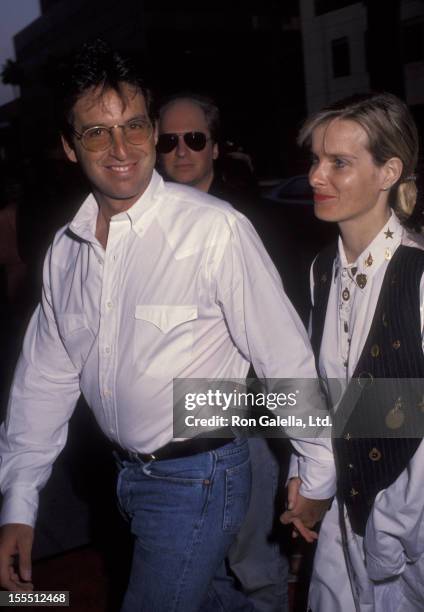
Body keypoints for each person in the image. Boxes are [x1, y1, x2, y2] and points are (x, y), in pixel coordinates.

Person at [0, 40, 334, 611]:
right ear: (68, 145)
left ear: (152, 130)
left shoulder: (212, 230)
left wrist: (317, 470)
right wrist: (19, 502)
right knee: (216, 599)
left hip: (199, 476)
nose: (121, 147)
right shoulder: (66, 251)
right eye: (96, 132)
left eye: (133, 125)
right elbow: (44, 382)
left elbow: (285, 359)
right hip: (127, 478)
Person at [286, 92, 424, 611]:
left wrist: (391, 525)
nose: (316, 177)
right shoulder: (323, 270)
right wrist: (304, 475)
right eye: (316, 160)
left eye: (338, 163)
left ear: (388, 171)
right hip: (348, 526)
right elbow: (324, 394)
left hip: (407, 539)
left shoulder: (417, 276)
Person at [157, 93, 288, 612]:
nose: (181, 151)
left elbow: (284, 341)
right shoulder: (137, 227)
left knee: (253, 563)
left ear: (215, 148)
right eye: (169, 141)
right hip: (165, 428)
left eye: (195, 139)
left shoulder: (248, 221)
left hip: (241, 412)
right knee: (196, 568)